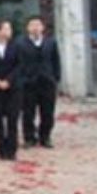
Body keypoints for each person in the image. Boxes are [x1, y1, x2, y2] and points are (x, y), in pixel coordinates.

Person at [18, 15, 61, 149]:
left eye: (38, 25)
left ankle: (45, 137)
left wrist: (55, 78)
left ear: (43, 27)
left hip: (47, 82)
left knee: (47, 112)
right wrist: (21, 79)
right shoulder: (20, 43)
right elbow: (17, 63)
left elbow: (56, 61)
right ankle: (29, 137)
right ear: (27, 28)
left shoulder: (51, 42)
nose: (35, 28)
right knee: (28, 112)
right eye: (32, 25)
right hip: (28, 83)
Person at [0, 20, 23, 160]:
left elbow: (20, 65)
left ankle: (12, 150)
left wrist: (8, 80)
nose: (9, 31)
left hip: (13, 87)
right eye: (6, 28)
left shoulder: (16, 46)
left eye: (10, 28)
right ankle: (1, 150)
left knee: (12, 119)